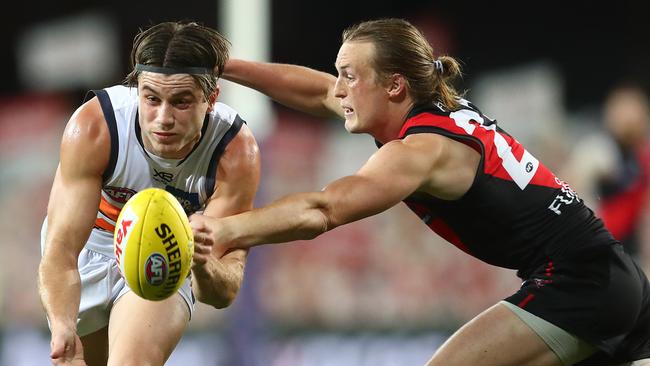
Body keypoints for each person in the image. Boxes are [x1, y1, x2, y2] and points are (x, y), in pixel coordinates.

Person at [192, 18, 650, 365]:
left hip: (581, 283)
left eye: (349, 75)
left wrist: (223, 230)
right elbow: (315, 93)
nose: (338, 88)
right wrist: (223, 66)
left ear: (394, 85)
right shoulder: (430, 113)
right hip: (610, 277)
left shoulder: (420, 149)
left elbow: (323, 209)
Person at [37, 21, 261, 365]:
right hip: (91, 246)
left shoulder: (234, 151)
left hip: (169, 252)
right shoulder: (96, 126)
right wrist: (62, 326)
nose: (163, 118)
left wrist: (202, 261)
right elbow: (61, 250)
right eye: (151, 99)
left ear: (211, 99)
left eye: (182, 102)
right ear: (137, 91)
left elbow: (223, 292)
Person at [560, 83, 650, 265]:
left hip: (634, 254)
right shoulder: (597, 150)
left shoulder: (644, 155)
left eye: (634, 115)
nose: (628, 121)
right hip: (601, 248)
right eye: (622, 114)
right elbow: (565, 187)